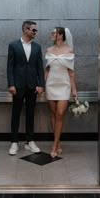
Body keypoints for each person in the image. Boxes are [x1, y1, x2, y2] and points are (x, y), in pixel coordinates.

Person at [7, 20, 45, 155]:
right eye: (33, 30)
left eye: (36, 30)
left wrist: (41, 85)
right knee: (15, 114)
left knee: (30, 114)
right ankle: (14, 142)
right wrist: (11, 84)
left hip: (32, 86)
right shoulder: (13, 45)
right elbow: (10, 66)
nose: (35, 32)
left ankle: (30, 141)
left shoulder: (37, 47)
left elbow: (40, 67)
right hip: (17, 86)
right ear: (25, 29)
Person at [45, 27, 77, 158]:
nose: (51, 34)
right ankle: (58, 143)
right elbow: (46, 69)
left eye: (54, 33)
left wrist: (74, 90)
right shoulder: (48, 50)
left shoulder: (69, 51)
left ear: (61, 35)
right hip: (51, 85)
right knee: (53, 114)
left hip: (64, 86)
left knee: (60, 114)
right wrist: (42, 84)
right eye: (51, 32)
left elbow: (71, 73)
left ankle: (54, 145)